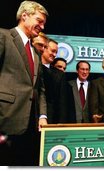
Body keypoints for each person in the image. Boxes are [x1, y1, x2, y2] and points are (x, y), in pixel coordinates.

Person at [0, 1, 48, 165]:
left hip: (31, 126)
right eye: (39, 20)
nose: (42, 26)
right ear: (24, 16)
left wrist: (42, 116)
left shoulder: (35, 51)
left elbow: (39, 88)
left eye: (43, 23)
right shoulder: (3, 36)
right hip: (5, 121)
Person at [40, 39, 69, 124]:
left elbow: (62, 102)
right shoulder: (31, 67)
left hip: (50, 120)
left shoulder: (60, 75)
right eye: (53, 51)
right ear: (44, 48)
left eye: (56, 52)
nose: (54, 54)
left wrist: (61, 123)